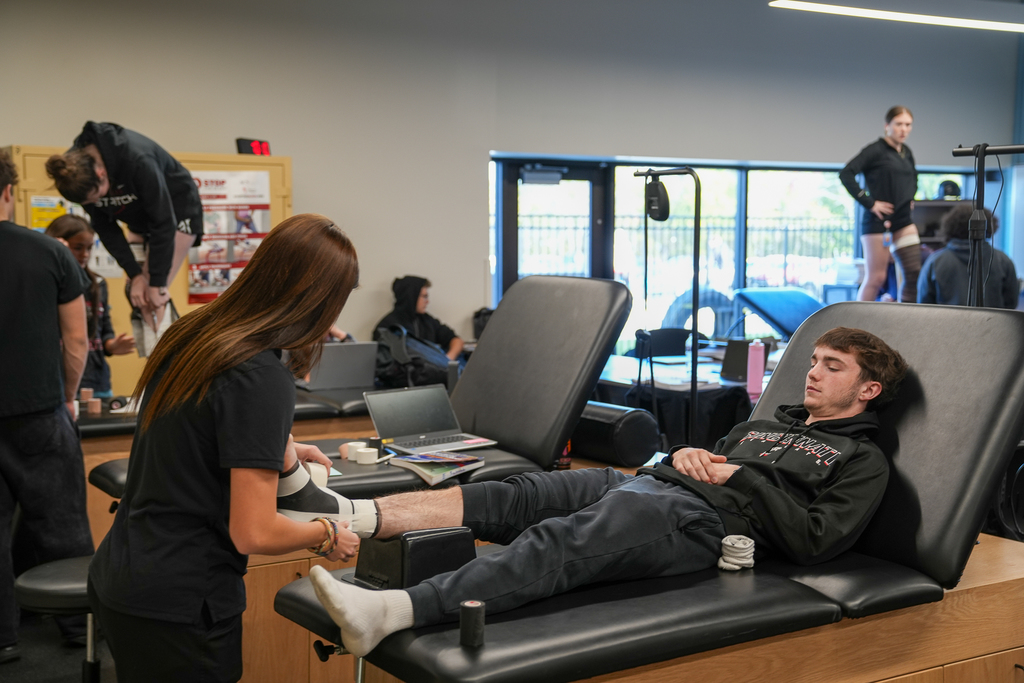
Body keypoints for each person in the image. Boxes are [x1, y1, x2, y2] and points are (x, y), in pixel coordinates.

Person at [307, 327, 909, 658]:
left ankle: (389, 612)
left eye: (834, 367)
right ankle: (352, 513)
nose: (812, 371)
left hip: (702, 524)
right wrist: (686, 453)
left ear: (869, 391)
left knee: (560, 541)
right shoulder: (760, 425)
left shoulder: (862, 458)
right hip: (652, 483)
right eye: (815, 360)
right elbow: (702, 460)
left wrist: (739, 476)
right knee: (512, 493)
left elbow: (815, 540)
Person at [87, 214, 362, 682]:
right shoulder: (262, 376)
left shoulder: (198, 335)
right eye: (335, 303)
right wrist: (328, 533)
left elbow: (199, 424)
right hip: (183, 601)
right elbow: (253, 533)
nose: (334, 320)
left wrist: (280, 444)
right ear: (314, 299)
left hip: (125, 574)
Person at [0, 150, 94, 664]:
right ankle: (81, 630)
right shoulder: (48, 253)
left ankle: (2, 638)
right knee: (62, 525)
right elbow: (75, 342)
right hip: (37, 411)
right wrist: (66, 394)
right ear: (9, 193)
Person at [45, 122, 203, 335]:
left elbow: (163, 222)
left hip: (178, 212)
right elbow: (105, 228)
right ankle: (151, 354)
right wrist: (135, 275)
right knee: (135, 293)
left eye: (99, 196)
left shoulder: (137, 159)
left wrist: (156, 282)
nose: (98, 202)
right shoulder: (74, 175)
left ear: (101, 173)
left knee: (152, 295)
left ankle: (169, 356)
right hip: (138, 216)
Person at [45, 215, 136, 397]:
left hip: (96, 382)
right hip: (57, 382)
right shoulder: (44, 282)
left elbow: (103, 331)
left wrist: (111, 345)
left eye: (89, 248)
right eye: (77, 248)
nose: (85, 255)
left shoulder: (98, 284)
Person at [840, 106, 921, 303]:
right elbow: (846, 173)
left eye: (908, 125)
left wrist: (910, 197)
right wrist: (870, 203)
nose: (904, 129)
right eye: (899, 124)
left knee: (913, 274)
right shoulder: (875, 150)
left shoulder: (906, 152)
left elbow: (914, 177)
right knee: (877, 278)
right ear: (887, 126)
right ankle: (856, 326)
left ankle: (906, 321)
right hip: (878, 221)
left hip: (903, 220)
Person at [918, 204, 1019, 309]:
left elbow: (925, 306)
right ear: (987, 227)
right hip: (992, 324)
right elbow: (1011, 306)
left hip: (947, 324)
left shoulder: (935, 262)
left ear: (950, 226)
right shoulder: (1003, 261)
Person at [375, 276, 464, 360]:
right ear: (411, 297)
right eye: (424, 296)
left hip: (433, 372)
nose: (427, 301)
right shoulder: (387, 326)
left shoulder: (427, 320)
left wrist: (447, 359)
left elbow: (456, 340)